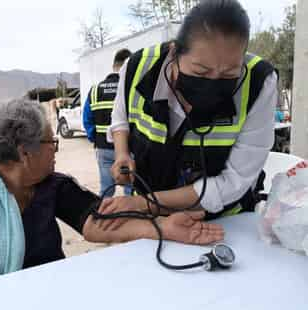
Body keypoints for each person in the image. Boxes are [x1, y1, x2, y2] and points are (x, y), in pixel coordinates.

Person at [0, 99, 224, 291]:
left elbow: (99, 220)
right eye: (50, 142)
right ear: (24, 152)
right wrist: (20, 294)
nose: (55, 150)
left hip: (52, 292)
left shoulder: (49, 183)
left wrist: (161, 226)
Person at [104, 0, 277, 219]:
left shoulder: (260, 82)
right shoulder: (137, 67)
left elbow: (234, 182)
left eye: (228, 74)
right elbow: (120, 119)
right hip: (149, 219)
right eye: (201, 71)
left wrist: (141, 203)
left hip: (224, 222)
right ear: (174, 53)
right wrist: (121, 154)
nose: (213, 81)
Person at [83, 49, 133, 197]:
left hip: (103, 148)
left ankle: (105, 217)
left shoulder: (95, 90)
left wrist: (96, 139)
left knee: (106, 190)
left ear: (114, 66)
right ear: (127, 66)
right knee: (131, 189)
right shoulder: (130, 89)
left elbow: (87, 120)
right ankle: (133, 218)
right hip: (128, 148)